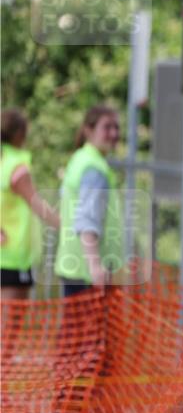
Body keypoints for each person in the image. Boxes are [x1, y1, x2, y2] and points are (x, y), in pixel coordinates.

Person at [55, 105, 123, 297]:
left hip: (74, 268)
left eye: (116, 127)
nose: (114, 133)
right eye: (107, 127)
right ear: (89, 130)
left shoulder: (80, 158)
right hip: (88, 275)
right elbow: (87, 218)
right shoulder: (93, 168)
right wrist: (95, 266)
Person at [1, 108, 60, 300]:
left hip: (7, 253)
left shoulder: (4, 161)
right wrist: (67, 225)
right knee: (11, 317)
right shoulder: (16, 167)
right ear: (20, 133)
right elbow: (37, 204)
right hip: (14, 255)